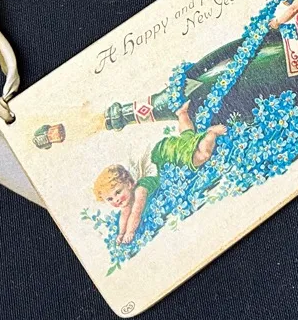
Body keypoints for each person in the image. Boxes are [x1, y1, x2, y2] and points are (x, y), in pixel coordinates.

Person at [92, 100, 227, 245]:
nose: (116, 200)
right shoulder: (125, 203)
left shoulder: (140, 191)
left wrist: (130, 232)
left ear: (130, 184)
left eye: (118, 192)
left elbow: (136, 213)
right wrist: (120, 233)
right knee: (187, 138)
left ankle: (210, 133)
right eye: (110, 199)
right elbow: (124, 216)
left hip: (167, 156)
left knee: (201, 156)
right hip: (164, 156)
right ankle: (182, 114)